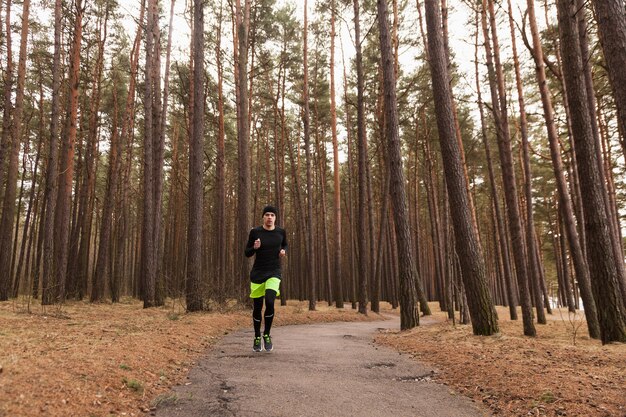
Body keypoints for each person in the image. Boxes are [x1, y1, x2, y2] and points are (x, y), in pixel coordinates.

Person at [245, 205, 287, 352]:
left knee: (269, 301)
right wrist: (254, 248)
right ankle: (257, 336)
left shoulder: (281, 232)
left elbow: (285, 245)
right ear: (263, 217)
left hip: (274, 272)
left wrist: (283, 251)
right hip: (258, 273)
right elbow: (247, 253)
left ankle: (267, 334)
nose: (269, 217)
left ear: (275, 217)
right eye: (267, 214)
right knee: (257, 307)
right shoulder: (255, 232)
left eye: (272, 215)